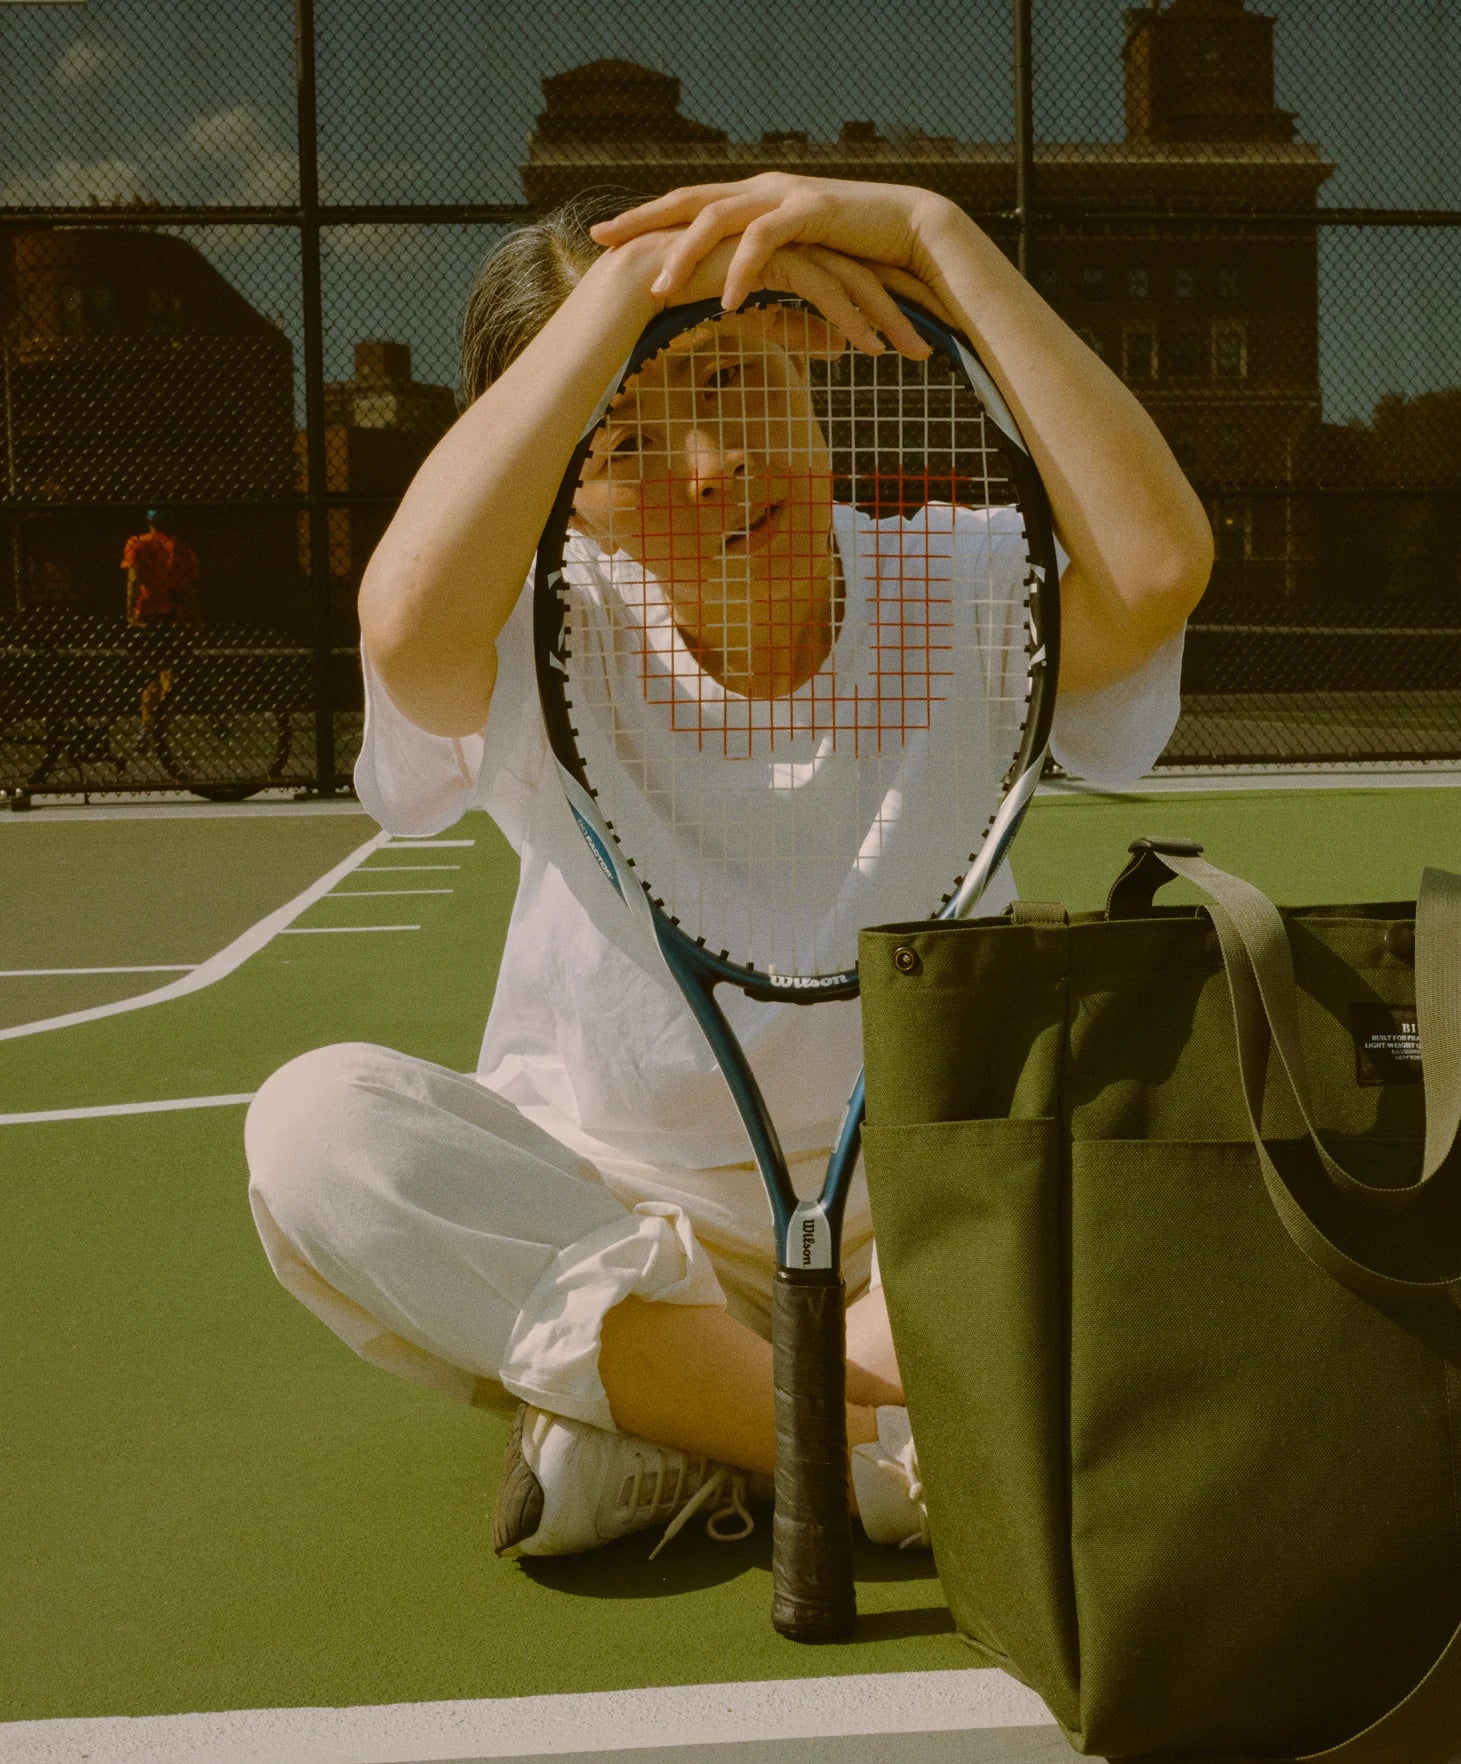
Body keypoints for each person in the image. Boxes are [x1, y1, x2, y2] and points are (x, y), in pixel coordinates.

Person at [244, 175, 1213, 1562]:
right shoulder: (538, 632)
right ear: (557, 501)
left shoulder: (963, 583)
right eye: (623, 440)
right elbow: (400, 622)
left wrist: (942, 239)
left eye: (733, 381)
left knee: (1170, 1088)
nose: (711, 465)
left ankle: (677, 1434)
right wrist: (627, 304)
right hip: (623, 1226)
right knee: (315, 1130)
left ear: (810, 375)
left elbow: (1160, 561)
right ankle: (867, 1451)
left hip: (927, 1224)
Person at [121, 509, 200, 735]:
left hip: (146, 614)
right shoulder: (181, 548)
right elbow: (187, 588)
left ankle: (148, 726)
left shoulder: (137, 543)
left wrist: (130, 613)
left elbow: (133, 580)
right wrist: (195, 618)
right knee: (169, 672)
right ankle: (159, 723)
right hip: (171, 615)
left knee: (157, 672)